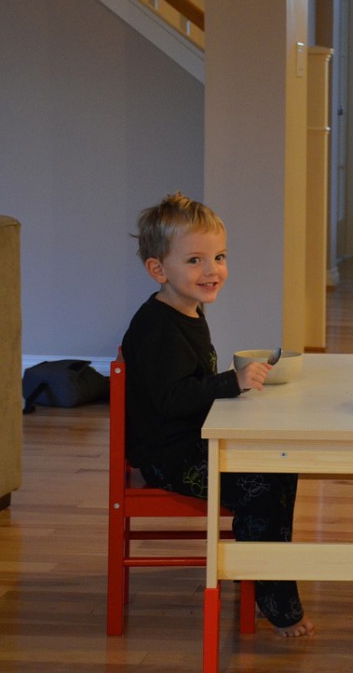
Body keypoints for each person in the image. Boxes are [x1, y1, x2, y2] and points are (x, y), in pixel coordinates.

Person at [121, 192, 314, 638]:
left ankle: (259, 571)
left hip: (194, 442)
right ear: (158, 269)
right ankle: (274, 597)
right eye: (195, 260)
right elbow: (173, 399)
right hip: (169, 459)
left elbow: (191, 389)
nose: (212, 271)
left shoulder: (187, 309)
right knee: (263, 485)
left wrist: (235, 385)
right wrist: (233, 381)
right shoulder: (157, 329)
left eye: (219, 257)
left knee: (283, 467)